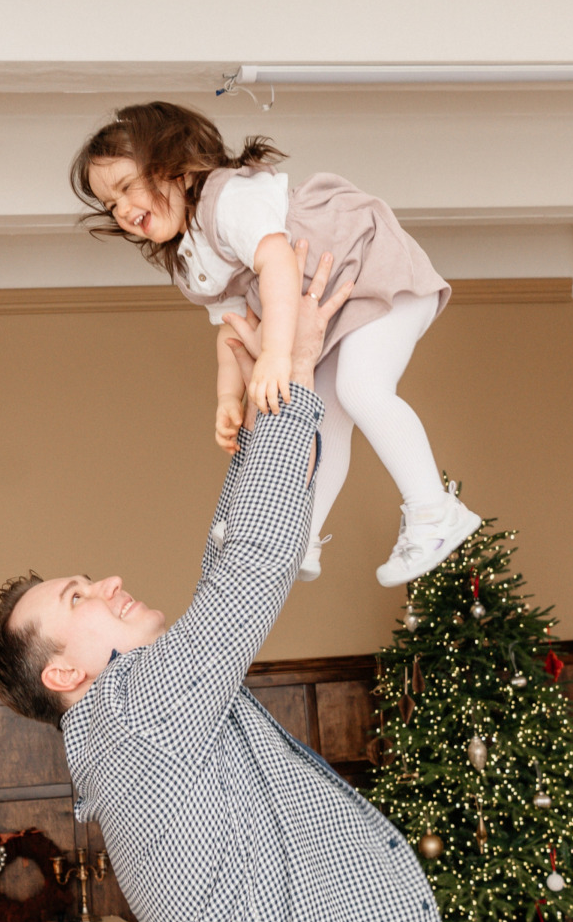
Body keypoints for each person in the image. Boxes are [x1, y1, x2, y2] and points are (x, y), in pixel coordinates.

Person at [0, 250, 452, 922]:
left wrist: (261, 397)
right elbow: (250, 570)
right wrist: (290, 374)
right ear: (64, 674)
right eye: (78, 598)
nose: (106, 581)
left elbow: (229, 563)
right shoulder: (129, 713)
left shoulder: (136, 723)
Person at [71, 101, 480, 586]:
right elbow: (232, 328)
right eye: (110, 204)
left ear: (175, 170)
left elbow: (280, 264)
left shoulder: (227, 201)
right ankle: (298, 534)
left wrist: (277, 355)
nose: (120, 210)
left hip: (372, 268)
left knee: (361, 389)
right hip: (333, 311)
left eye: (125, 188)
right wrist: (228, 397)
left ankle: (434, 511)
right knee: (322, 420)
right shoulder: (191, 257)